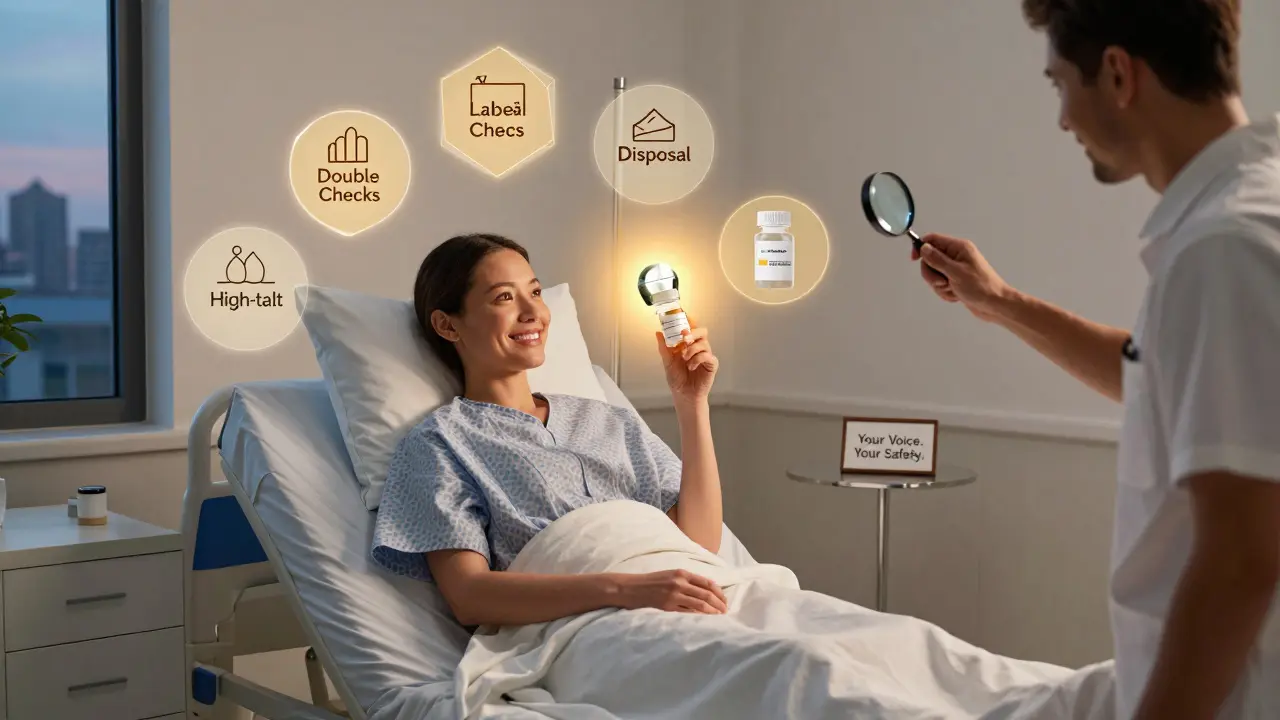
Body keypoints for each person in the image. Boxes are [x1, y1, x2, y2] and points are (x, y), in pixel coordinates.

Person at [912, 1, 1280, 718]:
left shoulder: (1223, 250)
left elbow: (1243, 557)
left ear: (1117, 73)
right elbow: (1153, 374)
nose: (1061, 120)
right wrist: (999, 301)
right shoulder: (1240, 219)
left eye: (1059, 86)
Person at [370, 233, 730, 628]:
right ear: (447, 325)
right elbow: (469, 596)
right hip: (594, 625)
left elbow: (699, 542)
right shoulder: (442, 444)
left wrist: (691, 402)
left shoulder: (610, 420)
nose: (533, 313)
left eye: (536, 292)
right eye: (504, 297)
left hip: (698, 596)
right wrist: (626, 590)